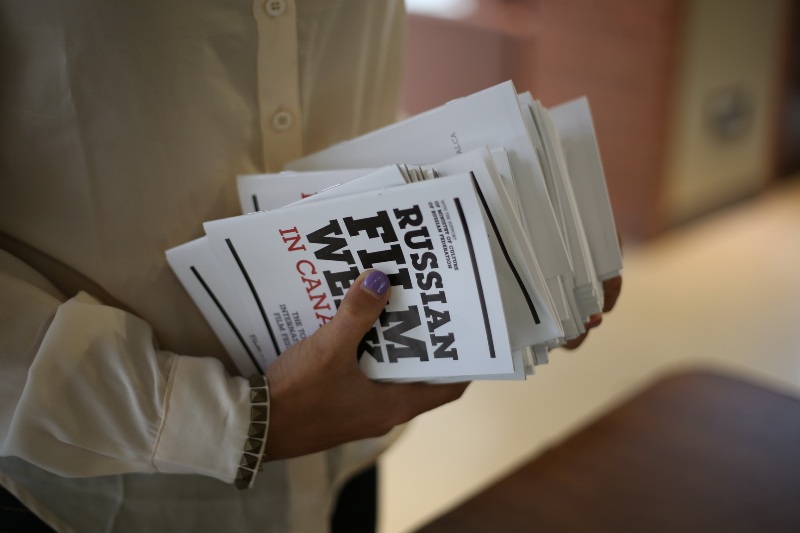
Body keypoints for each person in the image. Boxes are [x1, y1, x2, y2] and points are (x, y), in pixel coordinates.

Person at [0, 1, 621, 531]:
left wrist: (531, 243)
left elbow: (341, 94)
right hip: (85, 486)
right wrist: (223, 420)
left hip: (349, 448)